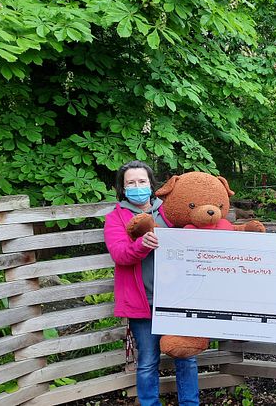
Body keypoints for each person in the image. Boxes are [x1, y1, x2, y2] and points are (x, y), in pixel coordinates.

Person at [104, 161, 199, 406]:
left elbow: (197, 233)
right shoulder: (115, 218)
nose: (137, 187)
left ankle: (190, 403)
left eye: (142, 181)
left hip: (179, 299)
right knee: (147, 361)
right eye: (131, 183)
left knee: (186, 358)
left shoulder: (169, 211)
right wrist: (141, 245)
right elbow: (120, 254)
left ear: (151, 184)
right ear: (122, 189)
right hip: (142, 302)